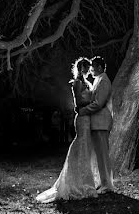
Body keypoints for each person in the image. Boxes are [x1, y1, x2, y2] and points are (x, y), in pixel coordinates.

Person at [35, 58, 99, 203]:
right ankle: (79, 183)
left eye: (88, 68)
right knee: (81, 144)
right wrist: (91, 103)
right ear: (80, 69)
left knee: (86, 146)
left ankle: (85, 179)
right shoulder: (76, 83)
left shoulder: (87, 83)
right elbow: (77, 102)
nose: (88, 70)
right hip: (82, 117)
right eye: (85, 68)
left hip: (88, 116)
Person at [78, 55, 114, 193]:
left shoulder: (104, 81)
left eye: (92, 67)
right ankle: (101, 182)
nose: (91, 70)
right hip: (96, 123)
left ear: (99, 67)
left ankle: (107, 185)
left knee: (103, 154)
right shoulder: (99, 80)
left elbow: (99, 103)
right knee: (98, 155)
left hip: (101, 123)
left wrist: (83, 111)